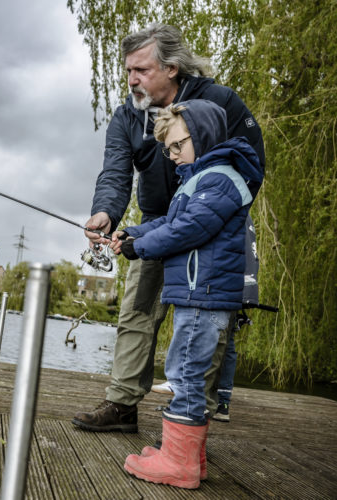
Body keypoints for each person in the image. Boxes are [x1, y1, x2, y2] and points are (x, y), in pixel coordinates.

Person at [72, 23, 264, 433]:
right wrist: (105, 212)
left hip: (211, 229)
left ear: (172, 67)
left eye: (140, 69)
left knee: (208, 320)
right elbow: (115, 173)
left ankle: (195, 417)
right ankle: (122, 405)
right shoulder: (127, 115)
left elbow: (251, 164)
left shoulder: (220, 102)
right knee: (136, 312)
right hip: (154, 227)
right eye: (127, 71)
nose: (131, 79)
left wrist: (215, 215)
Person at [113, 99, 263, 488]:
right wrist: (135, 232)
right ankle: (187, 457)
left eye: (178, 145)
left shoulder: (220, 178)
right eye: (168, 148)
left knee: (185, 374)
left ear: (204, 136)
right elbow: (171, 221)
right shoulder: (202, 178)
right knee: (187, 371)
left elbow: (188, 230)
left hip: (204, 295)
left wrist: (139, 248)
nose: (172, 155)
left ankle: (178, 464)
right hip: (198, 294)